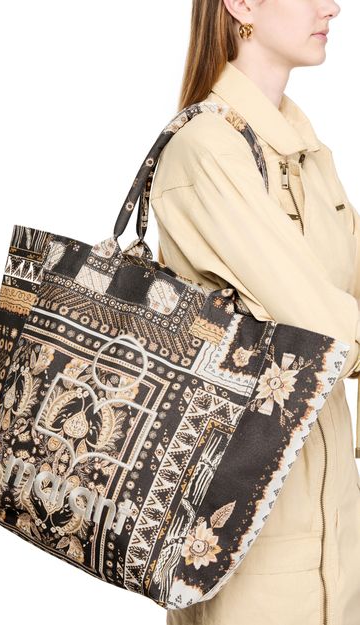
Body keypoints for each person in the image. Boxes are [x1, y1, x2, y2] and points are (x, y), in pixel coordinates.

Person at [150, 1, 360, 623]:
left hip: (333, 527)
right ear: (242, 4)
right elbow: (322, 328)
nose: (333, 7)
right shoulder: (206, 151)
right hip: (244, 542)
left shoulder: (304, 148)